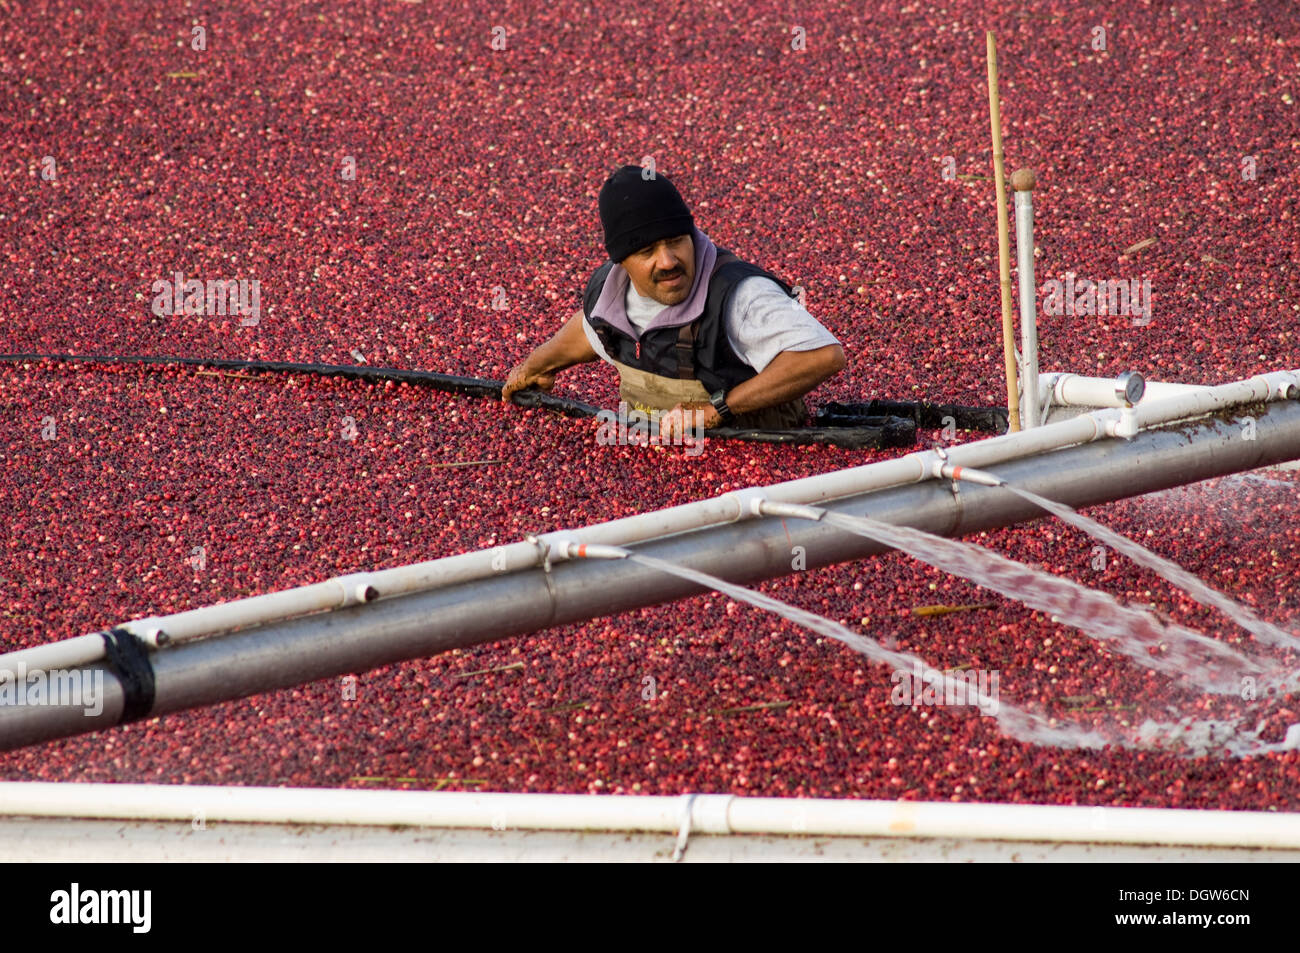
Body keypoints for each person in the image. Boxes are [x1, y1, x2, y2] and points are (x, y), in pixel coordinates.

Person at [502, 164, 845, 441]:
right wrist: (535, 368)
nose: (667, 261)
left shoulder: (740, 295)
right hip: (649, 462)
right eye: (647, 251)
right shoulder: (607, 297)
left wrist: (715, 411)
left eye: (676, 241)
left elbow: (822, 356)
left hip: (761, 458)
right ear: (623, 262)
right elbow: (586, 331)